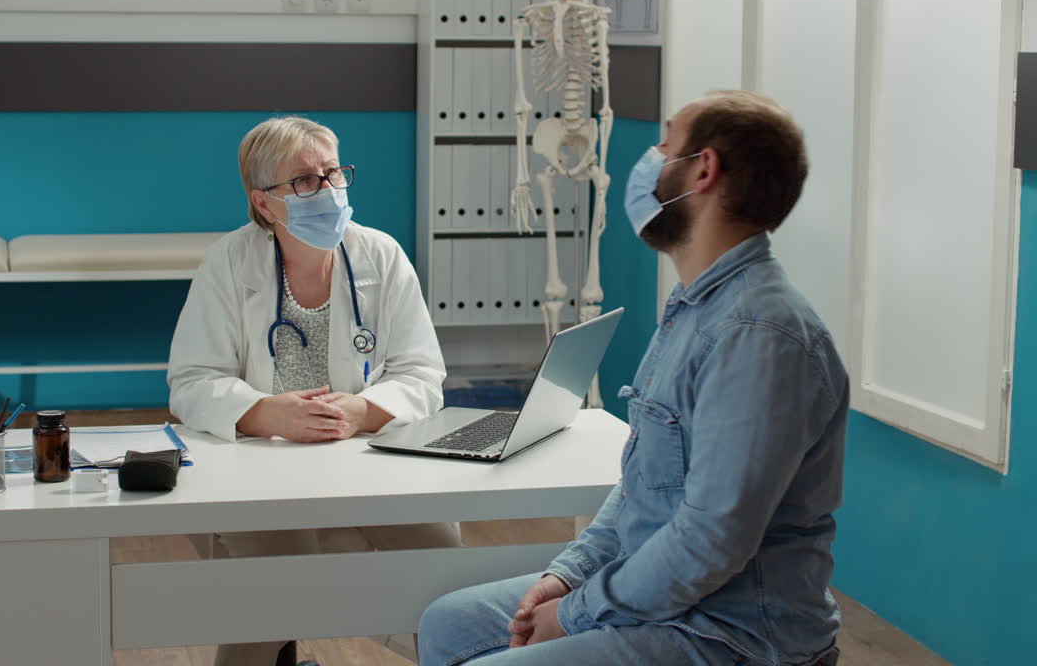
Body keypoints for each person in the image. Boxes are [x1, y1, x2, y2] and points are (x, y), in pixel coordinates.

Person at [418, 91, 849, 666]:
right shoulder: (695, 308)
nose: (650, 159)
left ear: (703, 169)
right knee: (446, 623)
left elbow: (709, 541)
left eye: (665, 143)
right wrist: (568, 575)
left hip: (735, 634)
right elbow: (647, 481)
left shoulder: (758, 334)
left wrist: (576, 612)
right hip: (670, 601)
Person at [167, 115, 459, 666]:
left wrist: (363, 409)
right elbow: (192, 380)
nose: (327, 191)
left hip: (367, 464)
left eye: (333, 174)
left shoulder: (380, 255)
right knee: (282, 581)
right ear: (264, 203)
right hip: (258, 471)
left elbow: (422, 372)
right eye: (304, 181)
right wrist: (262, 414)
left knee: (440, 562)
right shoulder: (229, 263)